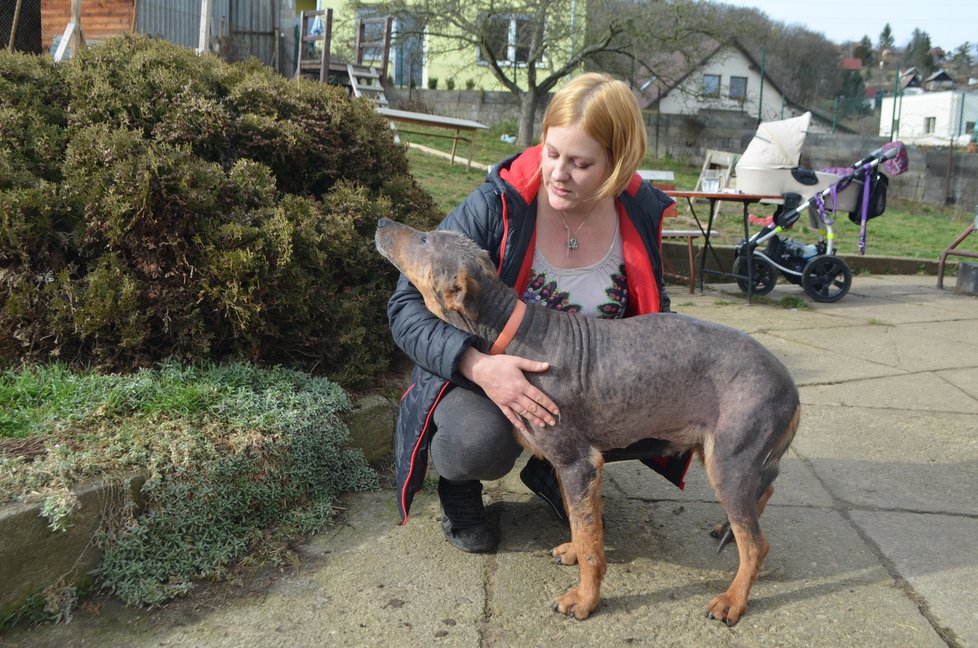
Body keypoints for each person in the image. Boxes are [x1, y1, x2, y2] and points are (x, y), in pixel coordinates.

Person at [386, 72, 691, 553]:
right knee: (477, 442)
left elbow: (654, 310)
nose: (557, 173)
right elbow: (404, 306)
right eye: (551, 153)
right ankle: (458, 486)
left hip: (580, 382)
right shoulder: (495, 204)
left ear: (618, 162)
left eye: (581, 163)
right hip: (480, 375)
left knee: (676, 406)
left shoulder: (639, 211)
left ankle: (551, 465)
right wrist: (479, 366)